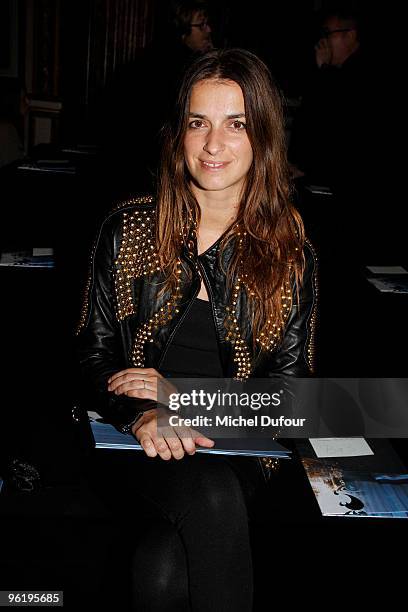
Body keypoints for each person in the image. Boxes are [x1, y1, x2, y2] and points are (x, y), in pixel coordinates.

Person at [77, 48, 317, 611]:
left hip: (237, 446)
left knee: (162, 569)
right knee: (202, 504)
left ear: (262, 136)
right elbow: (90, 359)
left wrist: (179, 400)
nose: (213, 145)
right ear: (177, 134)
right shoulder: (129, 229)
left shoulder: (291, 254)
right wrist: (142, 413)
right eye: (197, 123)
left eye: (235, 124)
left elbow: (292, 401)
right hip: (131, 439)